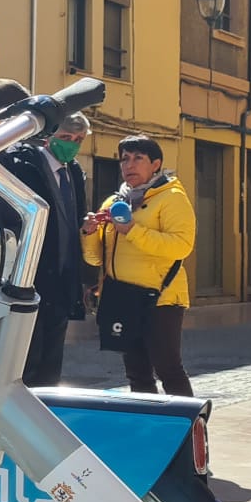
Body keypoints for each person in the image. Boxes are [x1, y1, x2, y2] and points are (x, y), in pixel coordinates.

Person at [81, 135, 195, 396]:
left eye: (138, 158)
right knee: (136, 371)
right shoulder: (114, 203)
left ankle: (188, 429)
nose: (129, 165)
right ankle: (147, 428)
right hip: (123, 296)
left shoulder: (172, 198)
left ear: (156, 164)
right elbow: (96, 259)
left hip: (161, 298)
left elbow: (180, 246)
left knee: (168, 368)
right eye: (124, 159)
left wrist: (132, 230)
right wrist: (88, 234)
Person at [26, 112, 91, 385]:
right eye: (66, 138)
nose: (72, 144)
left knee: (51, 367)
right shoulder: (29, 167)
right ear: (49, 137)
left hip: (63, 282)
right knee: (29, 361)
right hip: (34, 279)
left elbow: (75, 219)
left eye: (78, 140)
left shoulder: (74, 171)